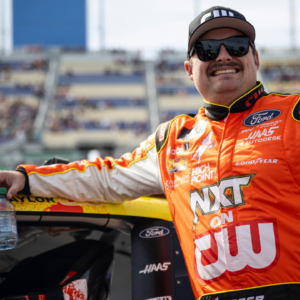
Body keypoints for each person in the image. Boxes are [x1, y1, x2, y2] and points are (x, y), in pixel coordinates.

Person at [1, 5, 300, 300]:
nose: (223, 55)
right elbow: (106, 177)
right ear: (189, 70)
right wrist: (28, 178)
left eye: (236, 45)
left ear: (255, 57)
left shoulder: (293, 115)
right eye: (207, 49)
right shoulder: (171, 139)